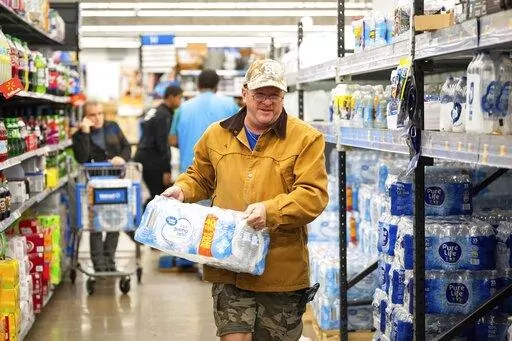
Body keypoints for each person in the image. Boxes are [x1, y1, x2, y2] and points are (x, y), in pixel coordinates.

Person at [162, 59, 329, 341]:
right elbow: (199, 177)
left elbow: (314, 195)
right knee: (233, 337)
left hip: (279, 269)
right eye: (259, 94)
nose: (267, 102)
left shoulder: (305, 139)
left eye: (274, 95)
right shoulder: (217, 135)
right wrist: (182, 189)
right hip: (228, 263)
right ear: (245, 93)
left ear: (283, 97)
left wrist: (270, 210)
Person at [72, 100, 131, 272]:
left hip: (116, 182)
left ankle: (109, 259)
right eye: (92, 114)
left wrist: (122, 158)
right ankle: (98, 264)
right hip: (94, 186)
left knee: (115, 221)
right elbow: (81, 157)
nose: (97, 117)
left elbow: (126, 147)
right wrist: (84, 132)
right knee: (96, 225)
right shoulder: (79, 135)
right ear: (85, 116)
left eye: (100, 113)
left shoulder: (112, 126)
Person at [169, 69, 239, 174]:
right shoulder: (230, 105)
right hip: (221, 172)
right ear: (217, 86)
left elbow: (172, 140)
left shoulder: (182, 108)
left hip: (190, 172)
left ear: (198, 85)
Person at [134, 85, 183, 205]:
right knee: (161, 196)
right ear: (171, 97)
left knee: (157, 194)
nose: (180, 102)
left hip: (143, 157)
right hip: (152, 160)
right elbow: (162, 143)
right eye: (179, 98)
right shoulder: (164, 115)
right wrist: (166, 170)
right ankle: (147, 218)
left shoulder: (155, 110)